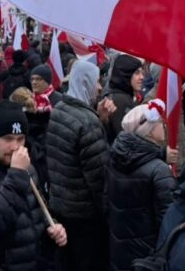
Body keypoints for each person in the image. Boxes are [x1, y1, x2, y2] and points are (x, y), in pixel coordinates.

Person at [0, 101, 67, 270]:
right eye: (8, 139)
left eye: (20, 139)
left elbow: (38, 211)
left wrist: (52, 226)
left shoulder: (28, 169)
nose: (15, 147)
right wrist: (16, 174)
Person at [46, 59, 109, 271]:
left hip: (61, 207)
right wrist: (106, 213)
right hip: (84, 214)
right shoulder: (87, 123)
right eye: (96, 81)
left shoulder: (59, 108)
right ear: (85, 82)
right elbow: (98, 179)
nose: (99, 87)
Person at [107, 101, 176, 270]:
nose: (164, 125)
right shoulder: (158, 170)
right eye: (159, 122)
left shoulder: (115, 158)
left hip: (119, 250)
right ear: (149, 131)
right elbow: (169, 222)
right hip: (148, 256)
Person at [101, 54, 145, 142]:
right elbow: (126, 138)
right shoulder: (121, 100)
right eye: (137, 73)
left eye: (142, 73)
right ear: (125, 75)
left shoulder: (119, 96)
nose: (142, 77)